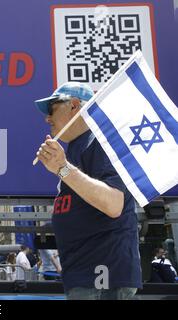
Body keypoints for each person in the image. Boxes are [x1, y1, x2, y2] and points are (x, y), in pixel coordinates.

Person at [34, 82, 142, 300]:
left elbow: (114, 204)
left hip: (103, 276)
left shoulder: (101, 142)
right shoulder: (78, 149)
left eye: (52, 109)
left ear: (74, 106)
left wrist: (62, 169)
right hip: (88, 276)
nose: (47, 118)